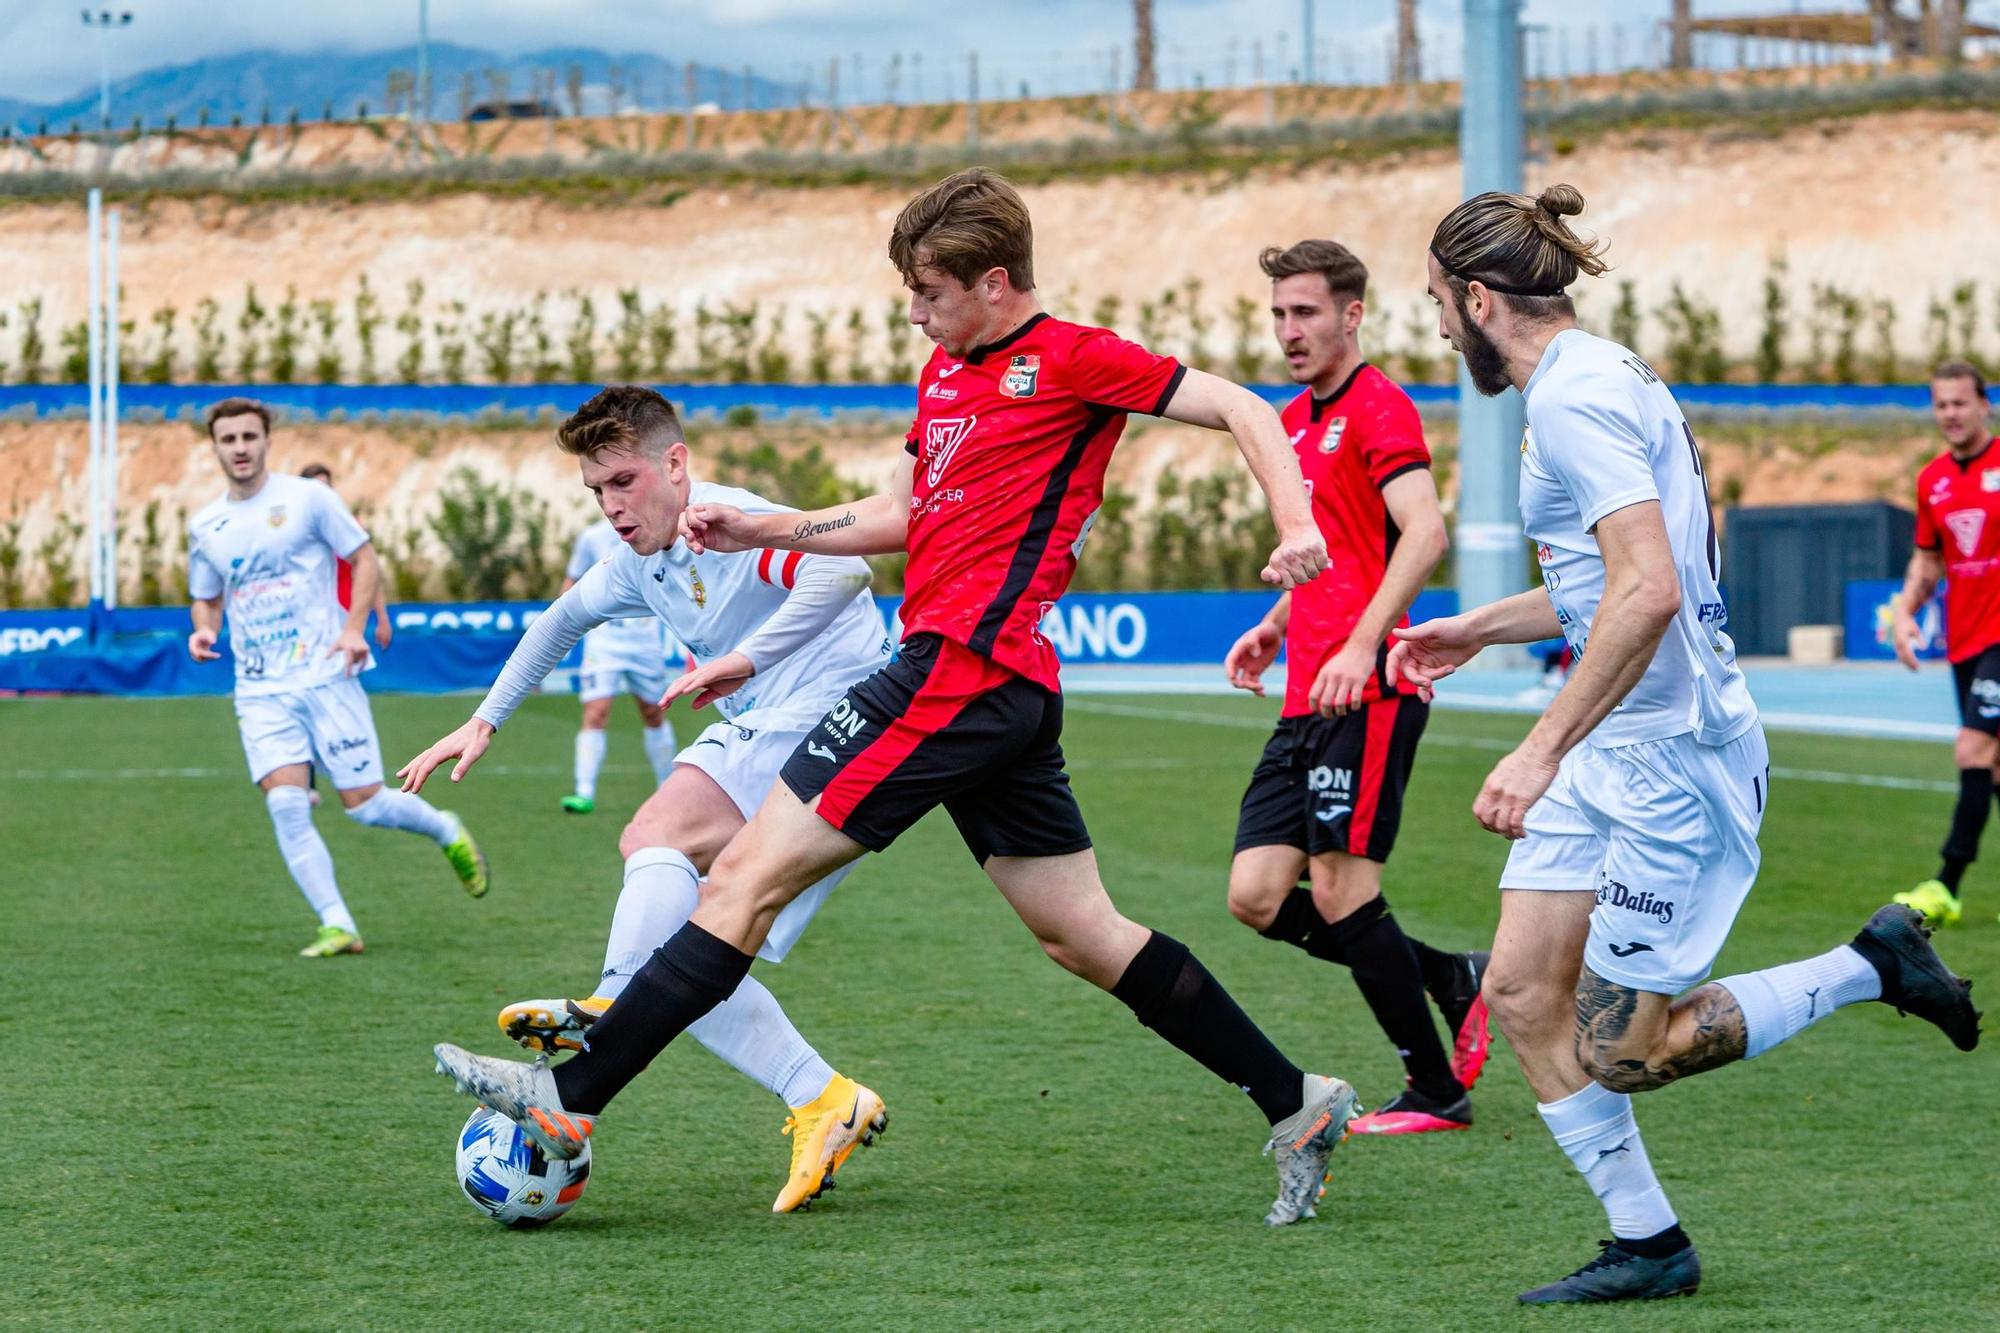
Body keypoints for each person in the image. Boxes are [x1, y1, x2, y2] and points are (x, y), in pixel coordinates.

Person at [431, 167, 1358, 1228]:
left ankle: (566, 1099)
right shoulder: (942, 376)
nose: (913, 313)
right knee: (1082, 933)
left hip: (956, 672)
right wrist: (768, 527)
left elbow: (1239, 404)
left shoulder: (1070, 358)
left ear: (993, 282)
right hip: (992, 685)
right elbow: (907, 510)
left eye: (927, 292)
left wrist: (1295, 523)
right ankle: (1297, 1101)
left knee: (736, 882)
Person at [1391, 185, 1980, 1304]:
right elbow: (1611, 582)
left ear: (1477, 298)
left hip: (1672, 760)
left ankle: (1868, 964)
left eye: (1433, 304)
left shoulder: (1572, 401)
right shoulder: (1589, 380)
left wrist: (1537, 748)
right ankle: (1648, 1243)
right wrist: (1480, 623)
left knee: (1624, 1047)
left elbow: (1650, 590)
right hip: (1615, 744)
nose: (1431, 328)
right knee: (1519, 993)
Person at [400, 386, 894, 1213]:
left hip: (838, 711)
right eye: (597, 491)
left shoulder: (725, 521)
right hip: (785, 724)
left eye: (624, 481)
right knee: (692, 945)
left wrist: (745, 657)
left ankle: (618, 997)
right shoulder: (637, 562)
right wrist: (483, 722)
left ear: (676, 463)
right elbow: (557, 623)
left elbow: (846, 569)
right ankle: (822, 1097)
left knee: (656, 849)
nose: (613, 505)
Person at [1222, 238, 1489, 1135]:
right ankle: (1453, 976)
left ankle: (1435, 1090)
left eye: (1304, 312)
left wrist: (1363, 644)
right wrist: (1274, 627)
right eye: (1278, 314)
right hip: (1308, 691)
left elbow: (1424, 534)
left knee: (1340, 888)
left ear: (1351, 314)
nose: (1289, 330)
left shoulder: (1381, 409)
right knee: (1255, 896)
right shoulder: (1292, 422)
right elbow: (1332, 554)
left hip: (1369, 690)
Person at [186, 399, 489, 958]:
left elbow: (365, 559)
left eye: (249, 436)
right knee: (286, 804)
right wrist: (202, 631)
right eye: (228, 439)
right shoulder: (207, 525)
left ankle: (445, 828)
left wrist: (354, 630)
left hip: (326, 673)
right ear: (215, 447)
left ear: (267, 440)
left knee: (366, 804)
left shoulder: (309, 499)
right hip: (259, 689)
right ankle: (337, 923)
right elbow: (205, 598)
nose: (240, 448)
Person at [1891, 362, 2000, 926]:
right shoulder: (1932, 479)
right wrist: (1906, 611)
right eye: (1941, 405)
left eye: (1961, 403)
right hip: (1967, 636)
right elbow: (1930, 558)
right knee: (1996, 765)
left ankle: (1947, 883)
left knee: (1972, 749)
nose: (1951, 414)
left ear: (1985, 403)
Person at [558, 519, 678, 814]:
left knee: (653, 712)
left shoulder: (657, 529)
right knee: (595, 712)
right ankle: (584, 792)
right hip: (604, 641)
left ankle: (669, 789)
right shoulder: (592, 537)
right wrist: (563, 623)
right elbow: (572, 580)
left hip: (645, 641)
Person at [299, 461, 392, 808]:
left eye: (327, 485)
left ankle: (356, 773)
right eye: (315, 486)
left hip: (347, 623)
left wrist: (381, 618)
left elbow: (368, 570)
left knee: (340, 696)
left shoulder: (347, 524)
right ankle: (310, 778)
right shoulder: (296, 527)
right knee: (304, 695)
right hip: (312, 628)